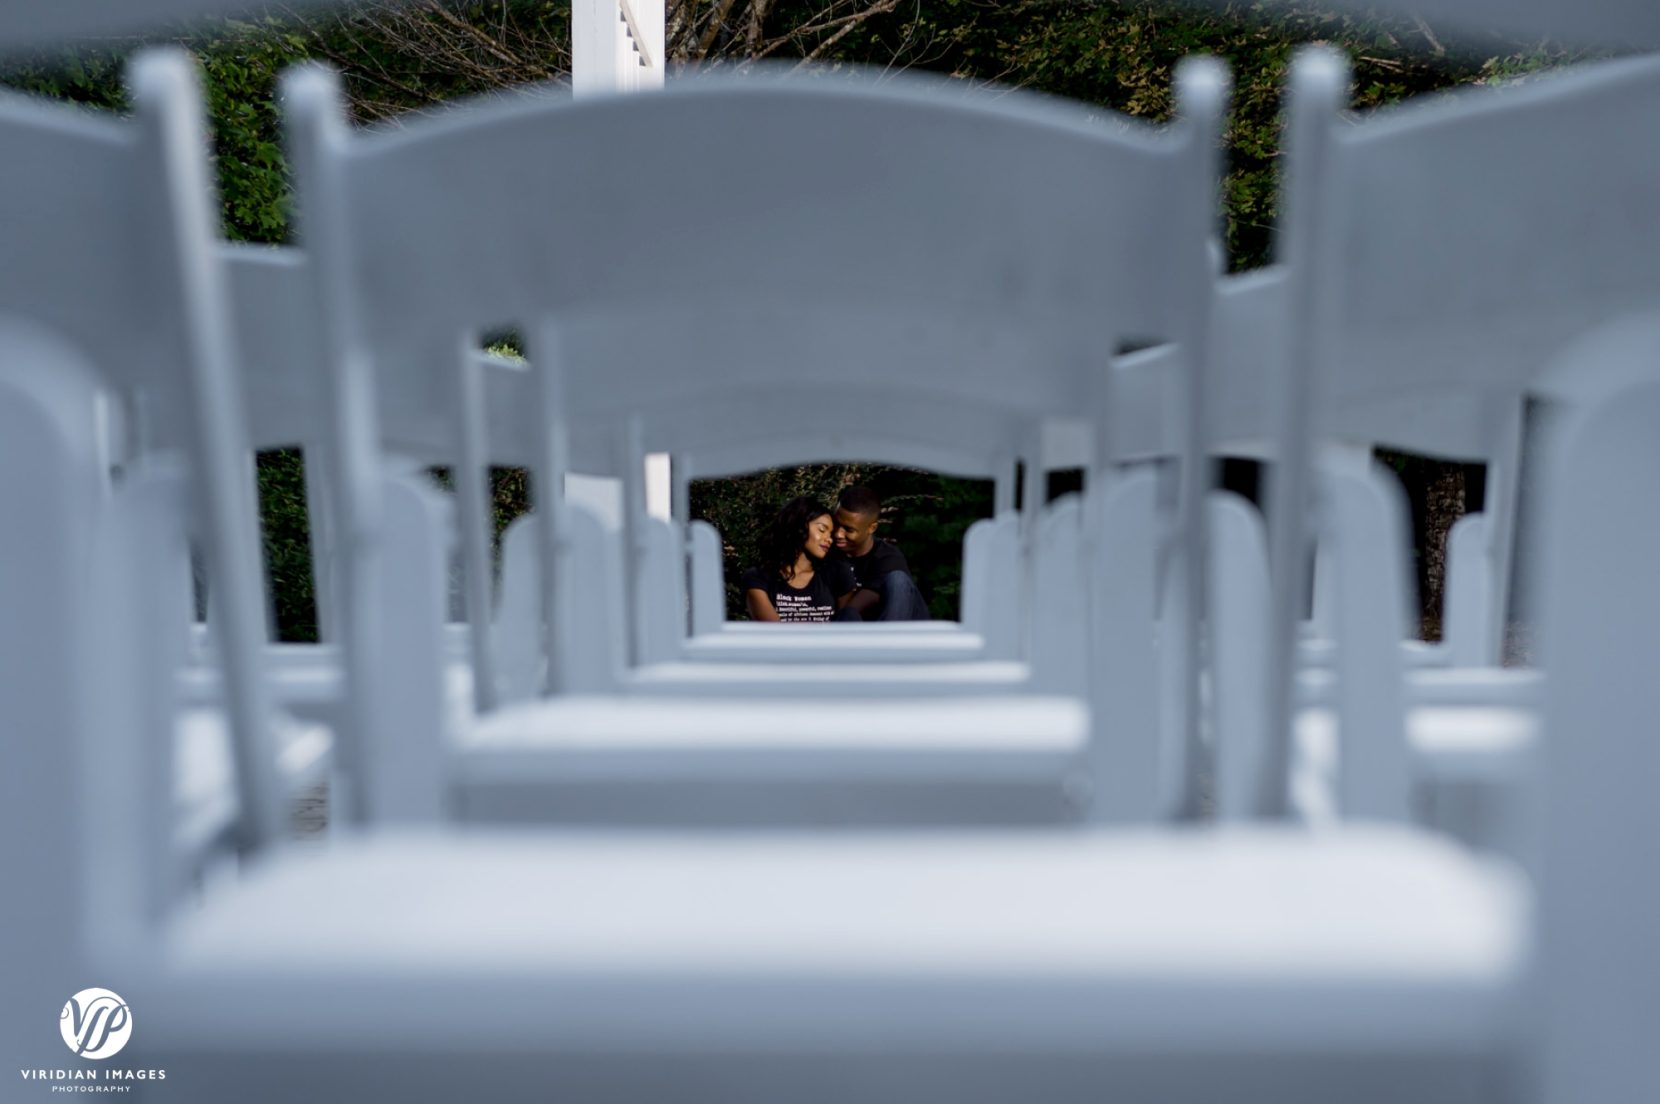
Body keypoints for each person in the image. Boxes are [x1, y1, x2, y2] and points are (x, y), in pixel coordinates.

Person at [741, 496, 858, 622]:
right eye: (822, 529)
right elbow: (773, 634)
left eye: (830, 534)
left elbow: (847, 626)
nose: (829, 539)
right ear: (799, 525)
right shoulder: (758, 578)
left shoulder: (837, 573)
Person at [830, 485, 931, 621]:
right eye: (836, 524)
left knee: (898, 580)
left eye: (848, 530)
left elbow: (852, 610)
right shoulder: (827, 552)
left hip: (895, 630)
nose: (838, 534)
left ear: (872, 528)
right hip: (856, 634)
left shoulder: (888, 558)